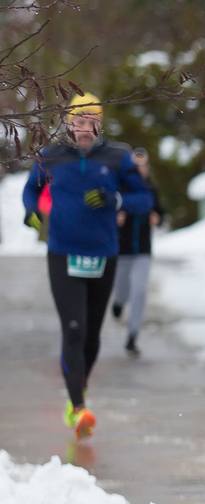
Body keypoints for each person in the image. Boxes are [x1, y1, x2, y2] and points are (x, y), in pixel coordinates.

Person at [21, 93, 154, 438]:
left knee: (92, 334)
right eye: (77, 121)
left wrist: (116, 198)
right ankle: (78, 406)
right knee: (75, 328)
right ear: (67, 122)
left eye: (90, 120)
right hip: (63, 252)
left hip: (103, 253)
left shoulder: (117, 157)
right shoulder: (51, 156)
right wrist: (32, 212)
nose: (83, 127)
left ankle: (78, 388)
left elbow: (143, 198)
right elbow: (30, 191)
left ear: (99, 123)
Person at [112, 146, 166, 356]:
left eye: (144, 166)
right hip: (122, 251)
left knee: (140, 291)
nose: (140, 170)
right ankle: (118, 303)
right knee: (123, 290)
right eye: (136, 166)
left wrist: (157, 218)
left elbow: (162, 214)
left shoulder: (151, 190)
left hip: (143, 251)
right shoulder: (120, 190)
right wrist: (116, 219)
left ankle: (132, 336)